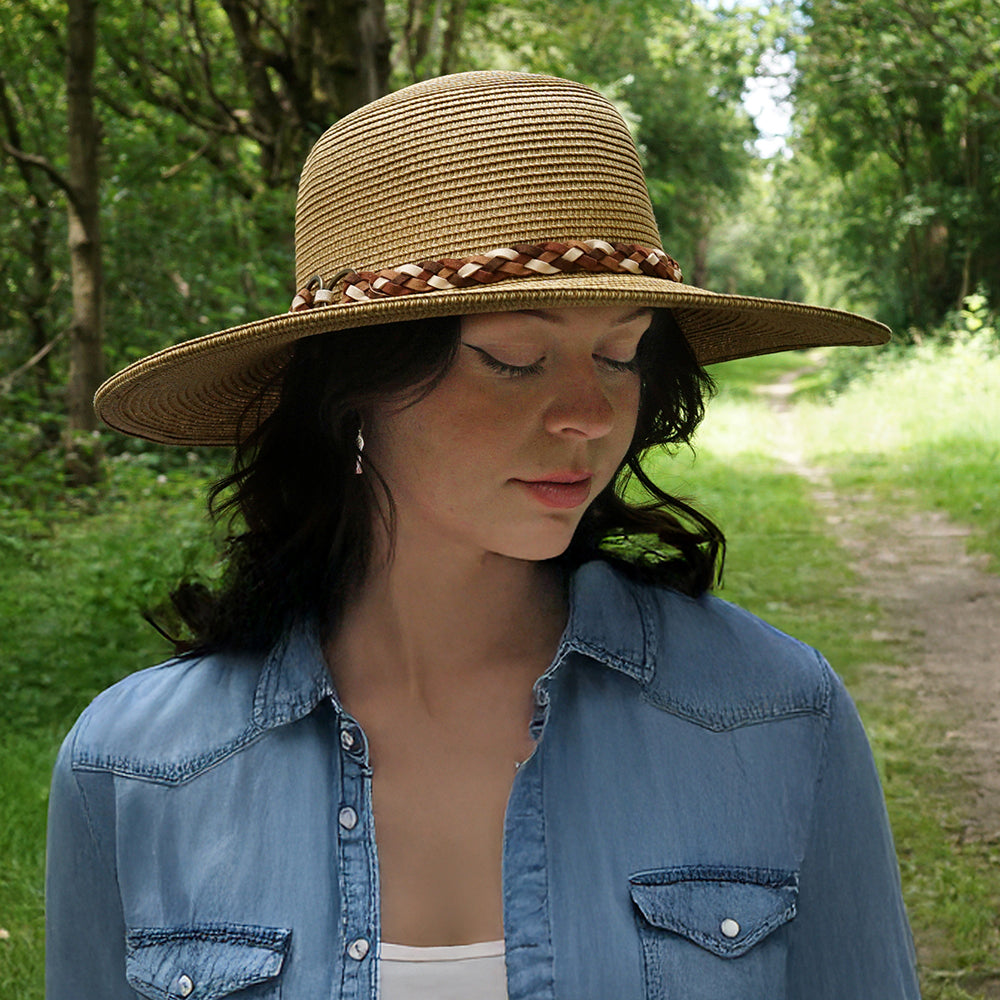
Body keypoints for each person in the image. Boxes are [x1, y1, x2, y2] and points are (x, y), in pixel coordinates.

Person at [46, 71, 921, 999]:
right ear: (355, 388)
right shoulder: (133, 768)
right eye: (514, 358)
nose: (588, 413)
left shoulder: (778, 716)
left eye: (621, 354)